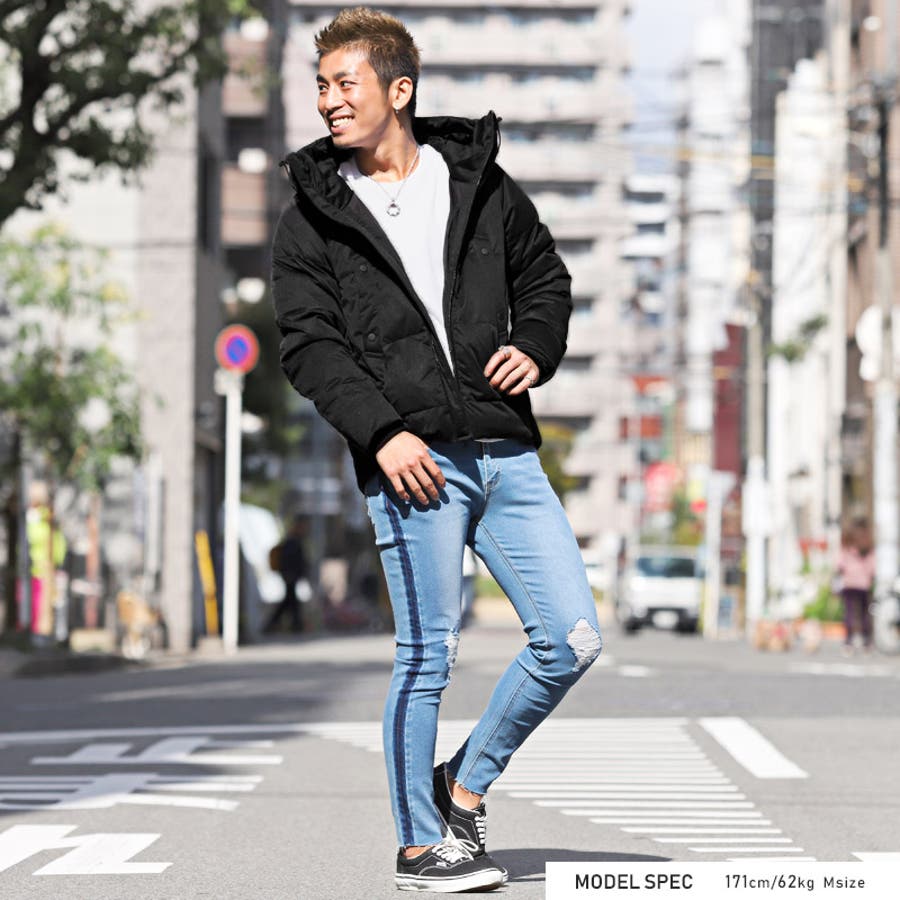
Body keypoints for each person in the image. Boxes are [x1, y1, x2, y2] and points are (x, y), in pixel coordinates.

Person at [271, 8, 602, 892]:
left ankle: (461, 786)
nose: (329, 101)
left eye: (345, 83)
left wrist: (536, 344)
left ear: (399, 89)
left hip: (505, 448)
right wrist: (383, 433)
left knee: (571, 638)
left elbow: (544, 276)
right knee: (428, 655)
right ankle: (421, 847)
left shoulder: (479, 182)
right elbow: (309, 345)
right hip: (413, 463)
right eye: (321, 86)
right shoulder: (312, 214)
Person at [836, 518, 876, 654]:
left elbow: (840, 565)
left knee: (850, 613)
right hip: (864, 585)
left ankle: (849, 641)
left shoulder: (847, 547)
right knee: (864, 614)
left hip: (850, 584)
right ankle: (866, 641)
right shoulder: (867, 547)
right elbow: (873, 568)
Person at [263, 516, 309, 634]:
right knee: (290, 601)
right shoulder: (292, 542)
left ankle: (293, 624)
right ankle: (294, 625)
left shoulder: (294, 540)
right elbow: (290, 560)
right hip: (290, 575)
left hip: (292, 575)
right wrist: (290, 573)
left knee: (290, 600)